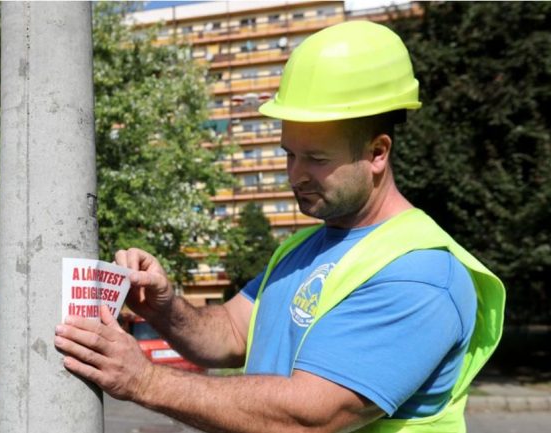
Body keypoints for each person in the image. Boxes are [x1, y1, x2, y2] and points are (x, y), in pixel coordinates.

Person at [54, 21, 505, 433]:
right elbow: (229, 335)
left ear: (377, 152)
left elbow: (311, 416)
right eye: (290, 154)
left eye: (317, 159)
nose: (295, 175)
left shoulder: (420, 274)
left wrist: (145, 380)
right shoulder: (302, 248)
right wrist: (163, 306)